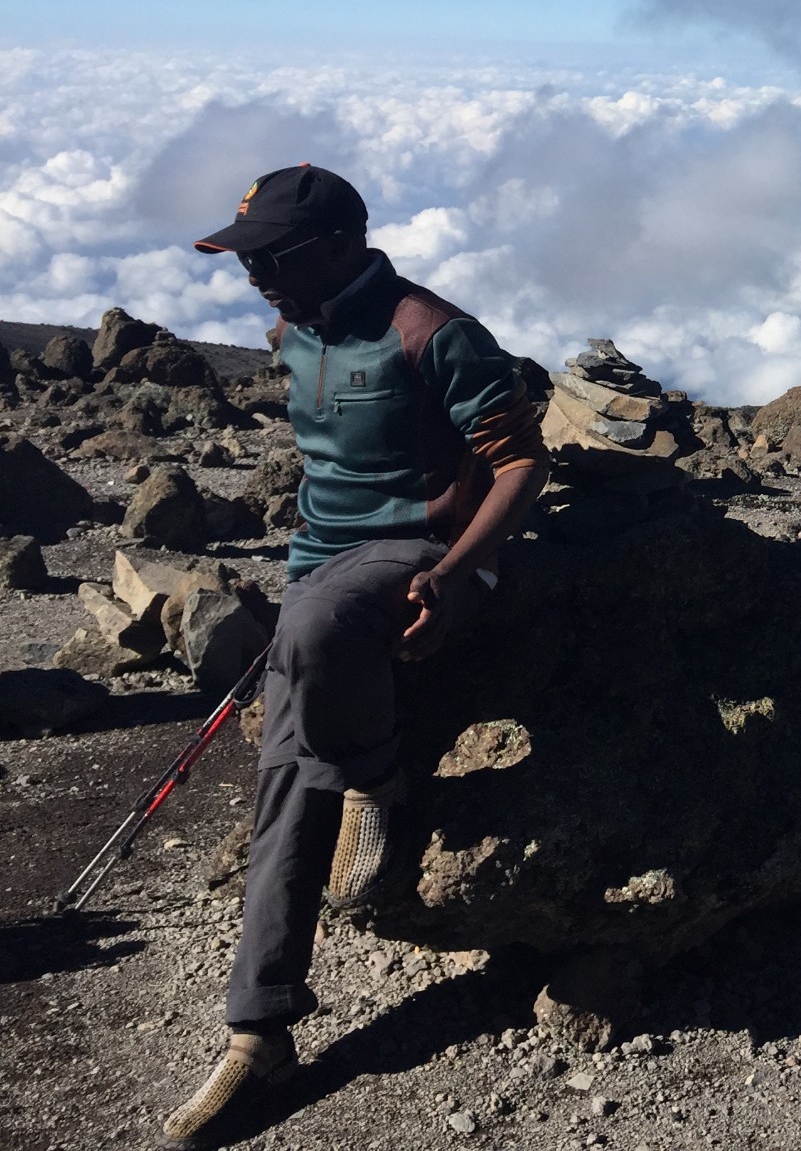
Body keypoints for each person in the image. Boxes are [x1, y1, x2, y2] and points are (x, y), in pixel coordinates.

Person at [162, 164, 548, 1148]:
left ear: (336, 245)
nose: (254, 280)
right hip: (325, 566)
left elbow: (519, 464)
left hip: (424, 551)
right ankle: (259, 1030)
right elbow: (322, 481)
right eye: (246, 261)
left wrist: (460, 577)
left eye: (270, 259)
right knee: (284, 778)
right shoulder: (294, 331)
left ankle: (375, 782)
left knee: (317, 627)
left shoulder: (433, 333)